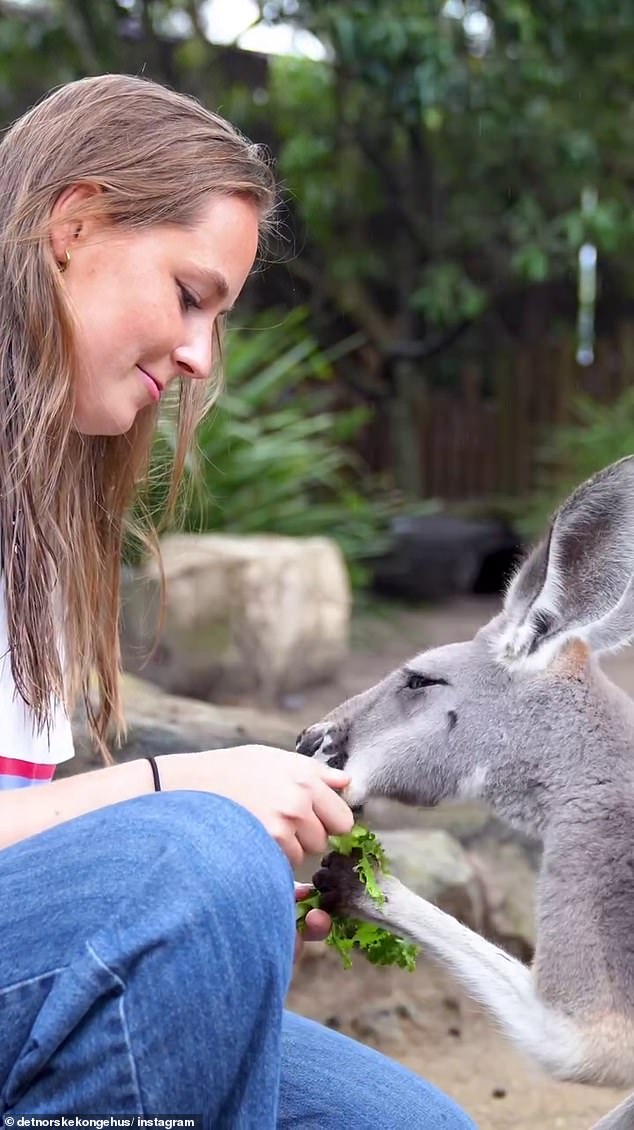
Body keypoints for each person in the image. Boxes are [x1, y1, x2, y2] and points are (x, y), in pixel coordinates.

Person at [0, 73, 476, 1129]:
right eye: (188, 294)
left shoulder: (30, 511)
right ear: (72, 224)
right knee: (193, 863)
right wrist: (182, 801)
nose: (200, 355)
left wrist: (232, 896)